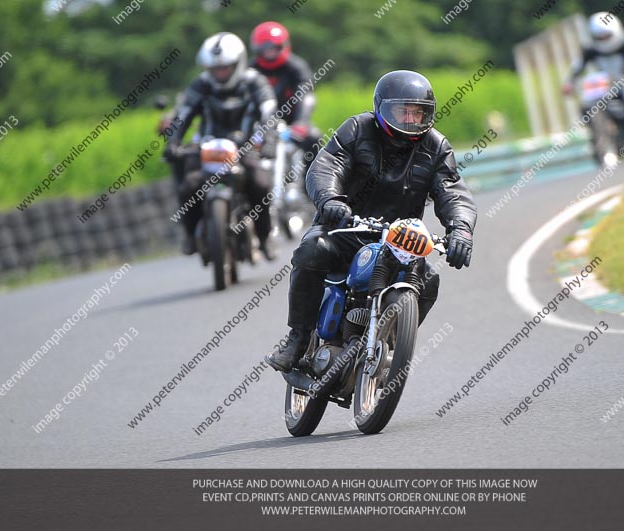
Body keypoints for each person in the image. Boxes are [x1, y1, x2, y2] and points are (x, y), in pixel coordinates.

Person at [265, 70, 477, 372]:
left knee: (429, 280)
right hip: (344, 228)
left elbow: (452, 191)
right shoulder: (357, 129)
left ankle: (389, 341)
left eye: (418, 113)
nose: (410, 120)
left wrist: (461, 230)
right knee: (311, 251)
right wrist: (331, 200)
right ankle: (298, 338)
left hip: (398, 239)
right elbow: (327, 165)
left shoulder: (436, 146)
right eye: (402, 111)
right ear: (381, 108)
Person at [166, 32, 278, 258]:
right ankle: (190, 235)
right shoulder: (200, 85)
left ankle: (264, 237)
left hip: (245, 148)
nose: (220, 73)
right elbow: (183, 115)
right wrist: (173, 142)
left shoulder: (255, 82)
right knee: (188, 185)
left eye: (225, 68)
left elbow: (269, 114)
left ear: (238, 63)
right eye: (215, 69)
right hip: (206, 149)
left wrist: (269, 142)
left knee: (260, 183)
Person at [562, 12, 624, 150]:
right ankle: (601, 138)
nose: (603, 40)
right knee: (588, 106)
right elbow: (577, 67)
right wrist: (569, 83)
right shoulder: (590, 49)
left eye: (606, 36)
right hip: (606, 87)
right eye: (599, 37)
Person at [249, 21, 323, 172]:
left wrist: (301, 122)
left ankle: (312, 186)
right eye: (264, 49)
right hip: (260, 125)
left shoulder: (296, 67)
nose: (269, 53)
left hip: (292, 123)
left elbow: (305, 94)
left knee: (313, 138)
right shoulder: (251, 70)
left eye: (273, 48)